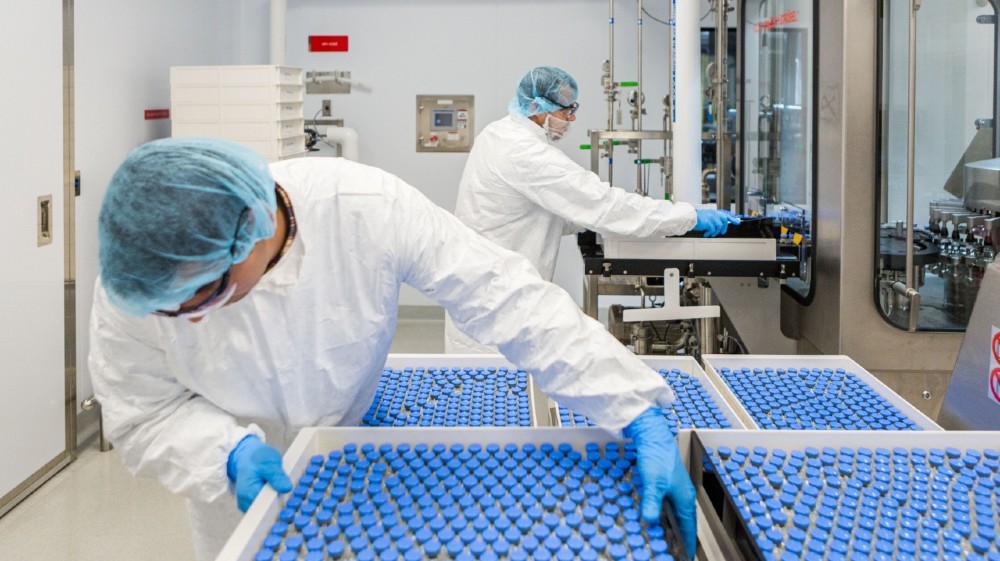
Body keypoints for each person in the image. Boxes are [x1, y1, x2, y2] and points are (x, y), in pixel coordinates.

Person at [88, 137, 698, 561]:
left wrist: (633, 407)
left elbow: (508, 297)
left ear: (251, 232)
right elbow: (141, 412)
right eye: (175, 308)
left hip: (355, 459)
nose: (188, 316)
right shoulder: (145, 276)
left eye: (207, 294)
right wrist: (226, 455)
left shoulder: (364, 209)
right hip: (230, 491)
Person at [445, 66, 739, 354]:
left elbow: (533, 212)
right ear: (536, 106)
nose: (571, 118)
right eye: (565, 111)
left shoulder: (497, 134)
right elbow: (604, 204)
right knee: (498, 394)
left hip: (484, 291)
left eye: (574, 109)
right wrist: (687, 217)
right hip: (496, 306)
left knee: (496, 394)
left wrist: (594, 217)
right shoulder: (526, 153)